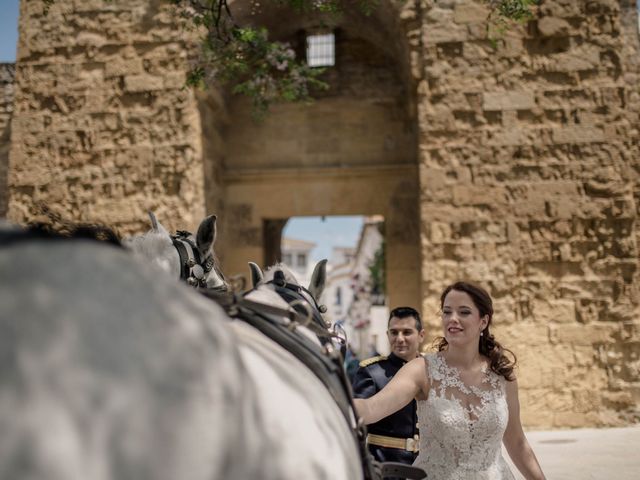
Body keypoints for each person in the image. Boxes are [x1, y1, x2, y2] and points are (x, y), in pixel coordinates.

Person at [354, 282, 546, 480]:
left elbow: (517, 443)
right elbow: (371, 409)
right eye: (447, 312)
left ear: (483, 321)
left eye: (464, 312)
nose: (452, 319)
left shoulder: (503, 376)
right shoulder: (421, 369)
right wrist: (332, 397)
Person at [352, 307, 425, 467]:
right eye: (394, 332)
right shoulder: (372, 371)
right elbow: (358, 426)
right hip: (385, 467)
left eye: (407, 332)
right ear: (387, 335)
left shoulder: (432, 370)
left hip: (427, 466)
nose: (399, 338)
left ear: (421, 335)